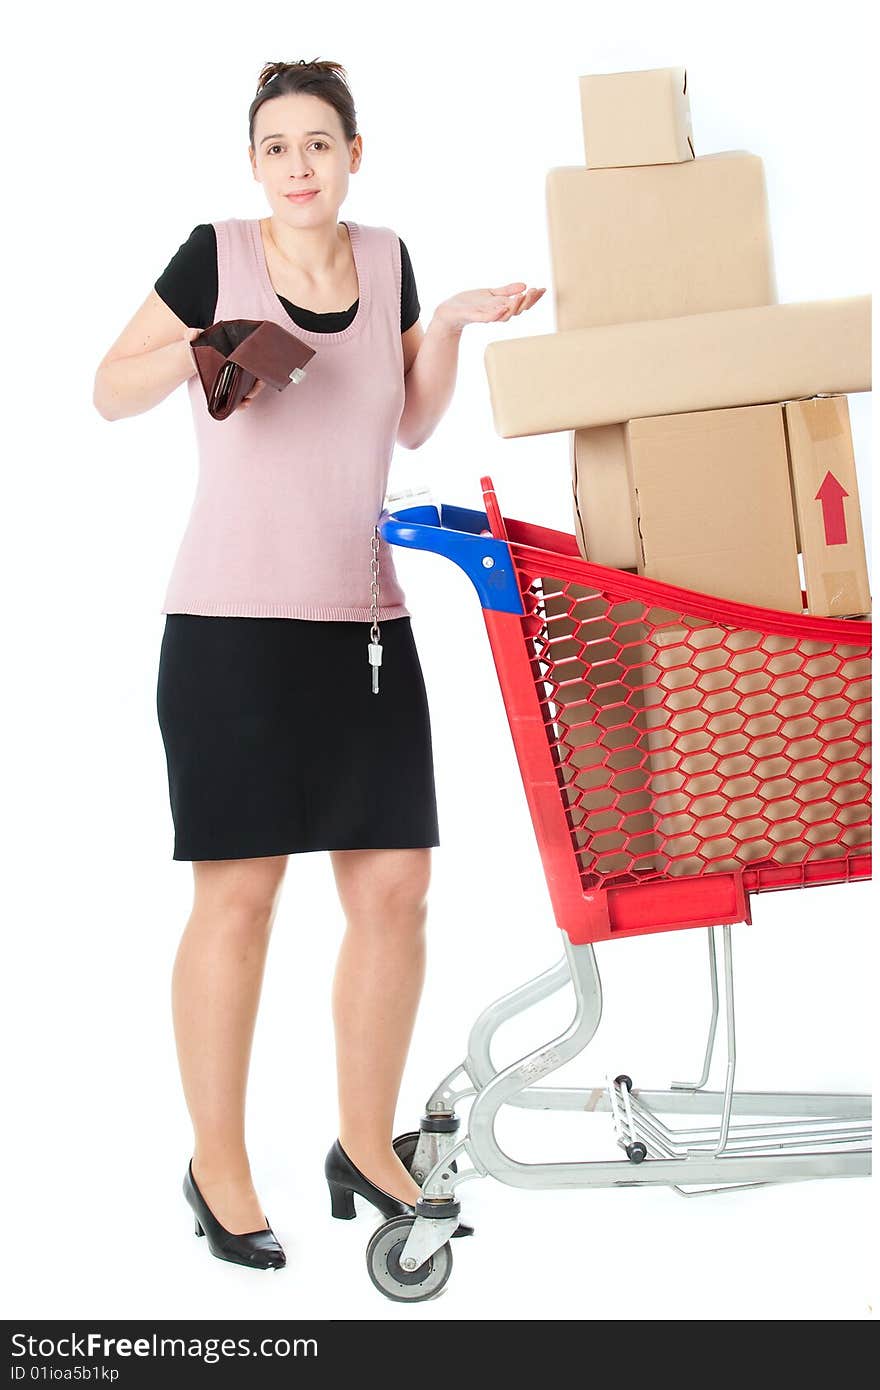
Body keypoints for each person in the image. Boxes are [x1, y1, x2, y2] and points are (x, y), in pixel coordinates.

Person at [92, 56, 545, 1272]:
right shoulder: (215, 254)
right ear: (255, 163)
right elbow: (105, 390)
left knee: (394, 885)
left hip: (367, 630)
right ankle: (218, 1163)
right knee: (238, 899)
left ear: (354, 153)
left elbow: (404, 417)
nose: (299, 166)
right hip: (230, 632)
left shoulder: (390, 257)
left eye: (319, 145)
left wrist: (443, 325)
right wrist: (205, 347)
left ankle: (361, 1139)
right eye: (277, 146)